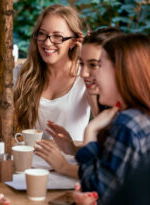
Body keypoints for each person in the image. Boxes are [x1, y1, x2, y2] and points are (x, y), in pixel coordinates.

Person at [75, 33, 150, 204]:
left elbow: (98, 191)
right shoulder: (147, 117)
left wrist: (91, 131)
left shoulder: (128, 124)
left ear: (121, 71)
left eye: (99, 65)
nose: (91, 76)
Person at [0, 4, 89, 142]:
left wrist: (87, 59)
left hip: (70, 162)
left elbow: (104, 119)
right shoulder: (23, 72)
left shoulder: (86, 76)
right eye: (42, 34)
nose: (47, 43)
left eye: (57, 36)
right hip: (27, 160)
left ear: (73, 41)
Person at [34, 28, 122, 178]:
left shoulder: (129, 117)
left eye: (93, 64)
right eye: (81, 64)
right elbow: (106, 154)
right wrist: (73, 148)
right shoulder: (109, 104)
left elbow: (109, 177)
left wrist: (64, 167)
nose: (83, 74)